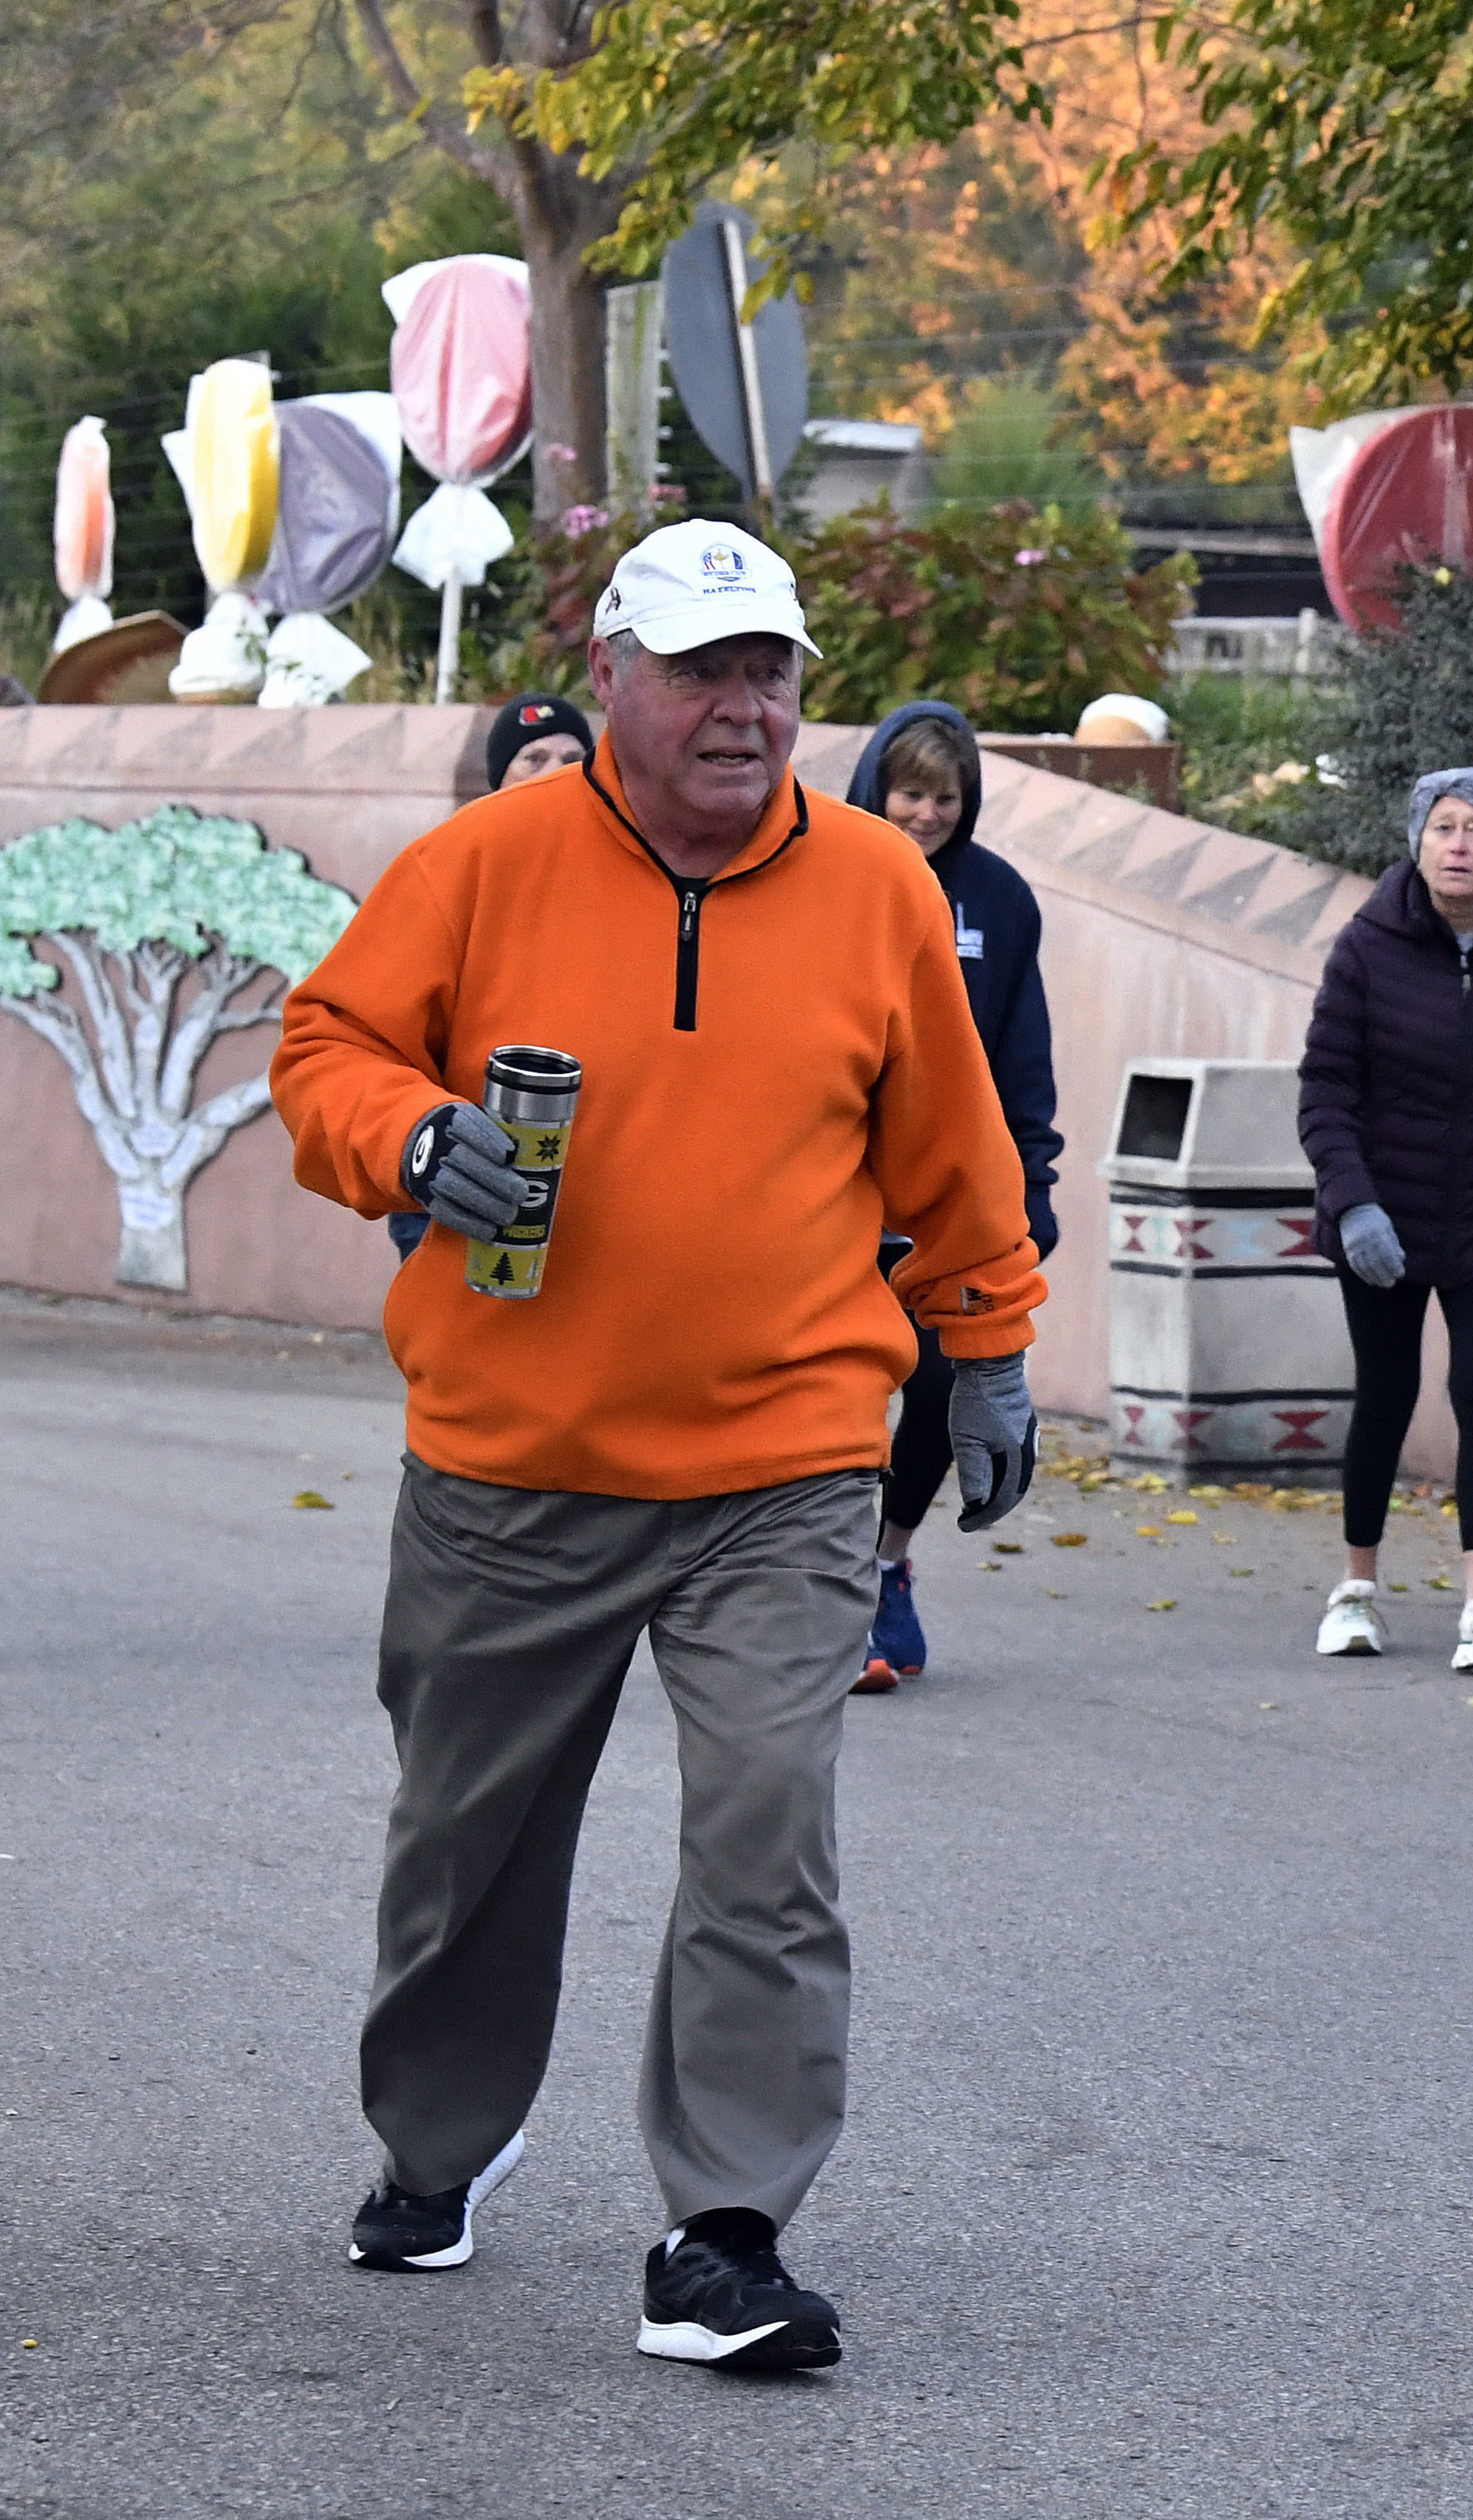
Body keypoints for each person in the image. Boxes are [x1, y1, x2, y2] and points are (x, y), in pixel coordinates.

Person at [270, 520, 1046, 2374]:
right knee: (470, 1842)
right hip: (512, 1459)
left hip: (780, 1464)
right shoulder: (482, 864)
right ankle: (436, 2142)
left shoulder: (872, 889)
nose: (741, 704)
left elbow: (954, 1147)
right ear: (610, 675)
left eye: (768, 668)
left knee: (770, 1827)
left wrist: (991, 1348)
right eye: (700, 668)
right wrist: (406, 1137)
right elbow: (324, 1047)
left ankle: (725, 2228)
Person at [1294, 766, 1473, 1674]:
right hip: (1382, 1217)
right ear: (1417, 842)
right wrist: (1353, 1206)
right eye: (1444, 829)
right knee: (1384, 1394)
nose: (1460, 846)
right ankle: (1355, 1589)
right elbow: (1324, 1093)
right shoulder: (1366, 949)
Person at [842, 700, 1061, 1690]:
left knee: (937, 1390)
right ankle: (829, 1588)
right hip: (835, 1205)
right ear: (874, 790)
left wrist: (1031, 1192)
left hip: (944, 1217)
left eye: (945, 798)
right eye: (909, 793)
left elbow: (1020, 1062)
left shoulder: (1001, 902)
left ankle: (887, 1562)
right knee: (840, 1396)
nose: (925, 814)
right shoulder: (828, 879)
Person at [385, 694, 597, 1264]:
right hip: (457, 1185)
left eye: (572, 757)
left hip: (583, 1198)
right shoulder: (449, 877)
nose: (556, 773)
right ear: (497, 780)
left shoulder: (624, 886)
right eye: (533, 758)